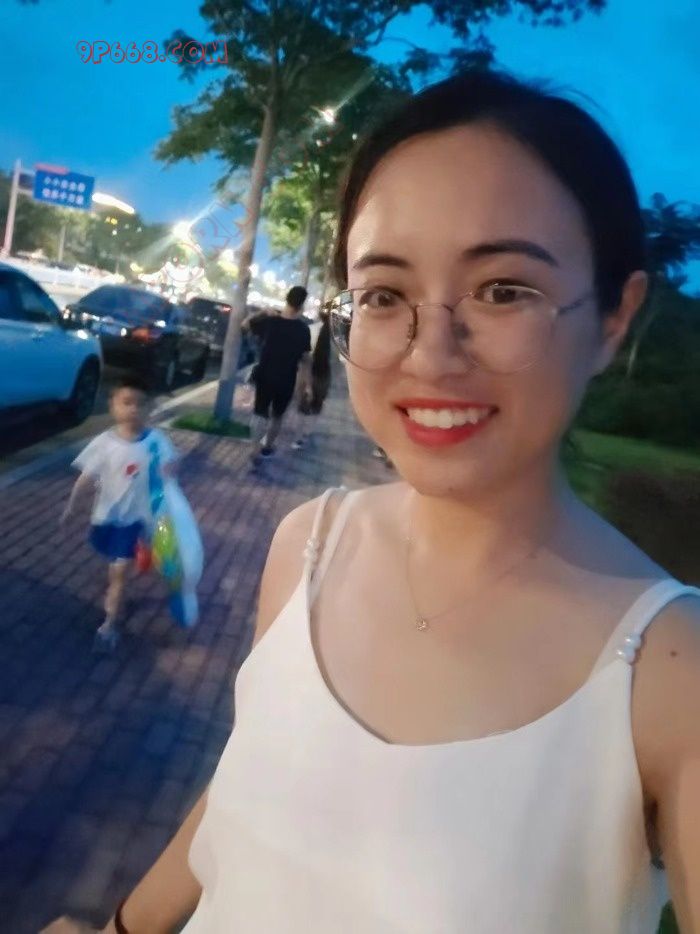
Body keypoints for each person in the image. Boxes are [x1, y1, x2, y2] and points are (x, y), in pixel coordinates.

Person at [43, 71, 700, 934]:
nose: (430, 355)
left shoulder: (669, 674)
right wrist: (123, 926)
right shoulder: (308, 544)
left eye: (505, 290)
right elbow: (243, 788)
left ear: (615, 317)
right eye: (386, 295)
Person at [60, 376, 178, 650]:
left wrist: (167, 476)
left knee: (119, 572)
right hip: (107, 517)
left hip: (137, 519)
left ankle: (109, 624)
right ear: (113, 405)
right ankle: (124, 576)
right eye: (127, 402)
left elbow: (171, 468)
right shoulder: (104, 442)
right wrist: (72, 505)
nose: (134, 409)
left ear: (150, 408)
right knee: (113, 564)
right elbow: (86, 476)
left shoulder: (156, 441)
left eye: (141, 403)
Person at [246, 285, 312, 464]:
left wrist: (263, 312)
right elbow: (306, 360)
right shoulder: (303, 330)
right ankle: (267, 447)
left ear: (286, 299)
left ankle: (254, 449)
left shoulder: (270, 322)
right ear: (302, 305)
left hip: (265, 375)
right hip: (287, 379)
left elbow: (245, 325)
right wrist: (306, 385)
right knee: (277, 415)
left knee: (260, 412)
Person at [292, 309, 332, 450]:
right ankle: (307, 433)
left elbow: (303, 355)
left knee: (302, 406)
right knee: (317, 405)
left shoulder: (310, 329)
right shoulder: (336, 336)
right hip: (324, 374)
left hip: (307, 372)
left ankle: (298, 437)